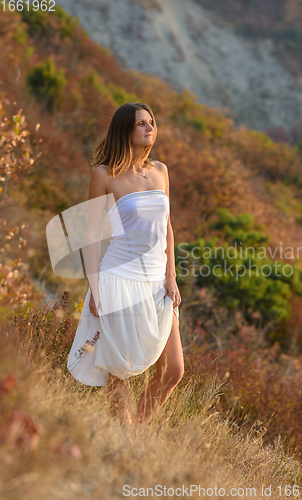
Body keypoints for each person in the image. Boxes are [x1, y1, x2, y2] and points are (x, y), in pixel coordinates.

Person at [66, 102, 184, 427]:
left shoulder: (160, 170)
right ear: (125, 131)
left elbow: (168, 227)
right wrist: (94, 288)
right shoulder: (104, 175)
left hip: (158, 282)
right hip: (119, 279)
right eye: (141, 124)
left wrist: (171, 277)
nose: (150, 128)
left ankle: (137, 434)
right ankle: (126, 441)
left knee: (173, 369)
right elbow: (91, 235)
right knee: (121, 369)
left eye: (151, 122)